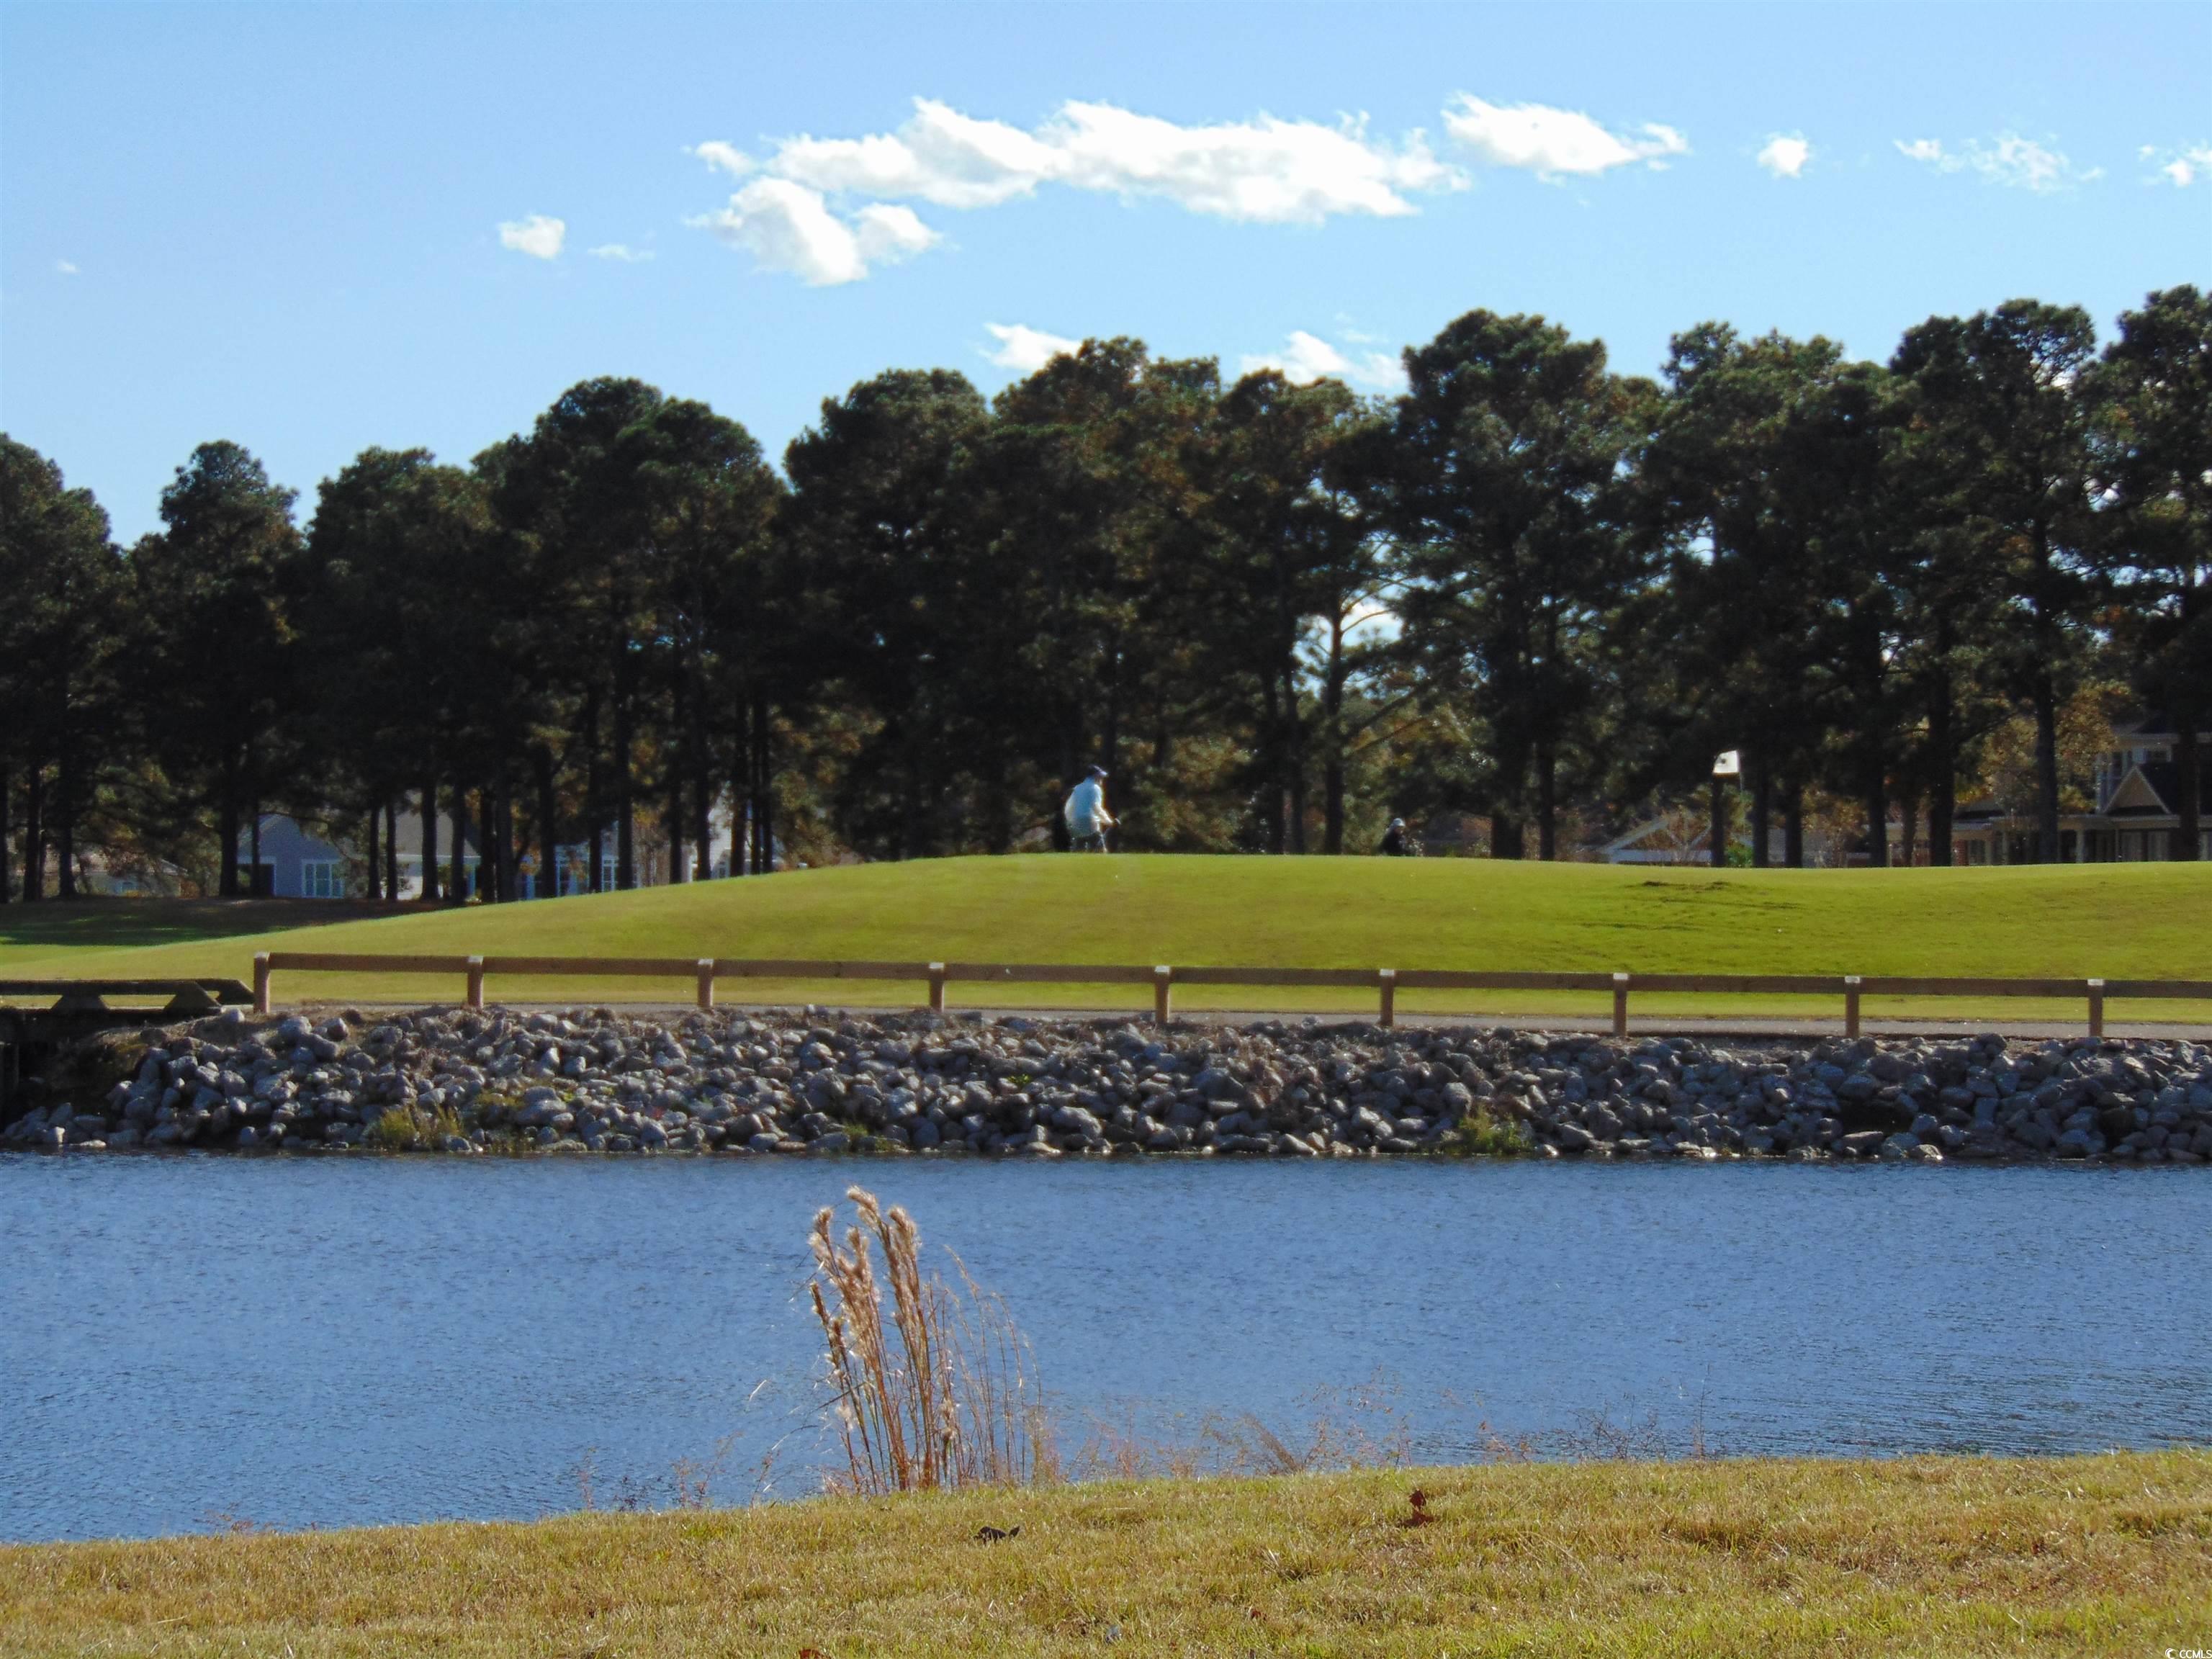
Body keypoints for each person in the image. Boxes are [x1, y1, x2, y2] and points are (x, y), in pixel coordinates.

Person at [1064, 765, 1114, 851]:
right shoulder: (1095, 788)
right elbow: (1096, 807)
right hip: (1090, 821)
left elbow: (1069, 807)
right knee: (1099, 849)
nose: (1102, 779)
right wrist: (1108, 821)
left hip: (1077, 821)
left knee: (1079, 848)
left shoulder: (1078, 788)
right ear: (1095, 776)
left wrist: (1070, 821)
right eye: (1100, 777)